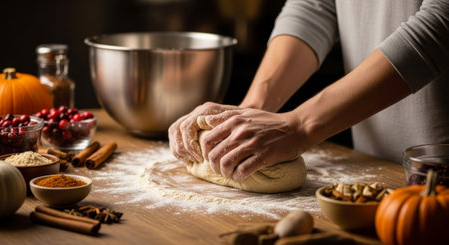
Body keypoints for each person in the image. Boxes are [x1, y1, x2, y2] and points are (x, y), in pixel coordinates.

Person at [169, 0, 449, 182]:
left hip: (441, 168)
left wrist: (300, 125)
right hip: (374, 170)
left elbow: (442, 21)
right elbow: (316, 6)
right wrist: (252, 108)